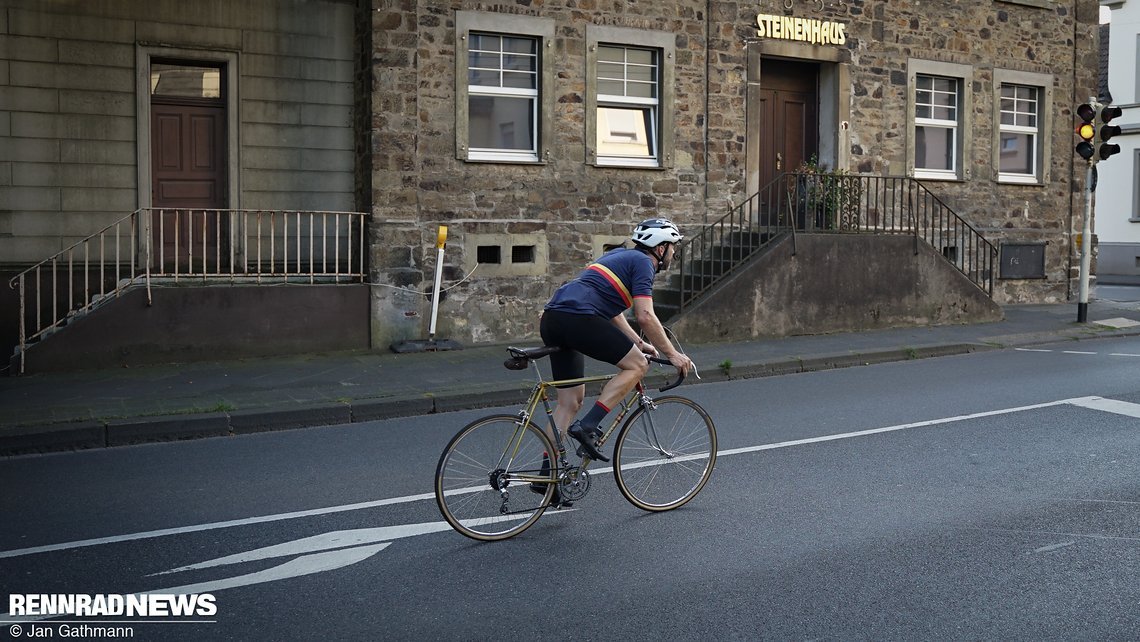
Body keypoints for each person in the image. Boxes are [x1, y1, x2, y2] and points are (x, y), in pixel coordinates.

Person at [539, 218, 694, 464]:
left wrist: (638, 343)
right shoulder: (645, 263)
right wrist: (672, 354)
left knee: (569, 402)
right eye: (673, 247)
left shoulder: (618, 256)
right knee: (637, 366)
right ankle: (588, 425)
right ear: (661, 248)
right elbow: (645, 315)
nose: (673, 254)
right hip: (580, 318)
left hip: (553, 319)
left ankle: (548, 475)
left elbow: (612, 310)